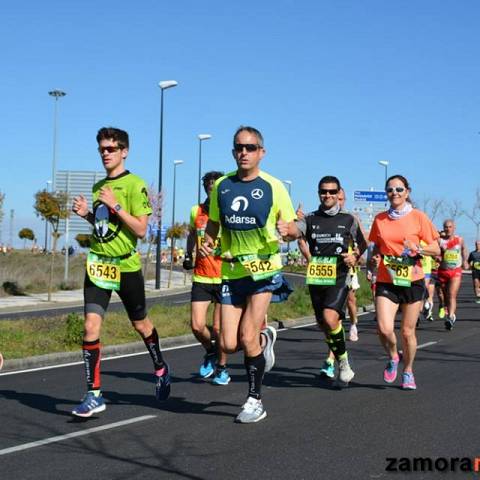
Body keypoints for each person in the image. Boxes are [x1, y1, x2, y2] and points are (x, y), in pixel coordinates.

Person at [199, 126, 297, 424]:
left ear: (261, 152)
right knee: (228, 344)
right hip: (232, 271)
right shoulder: (223, 187)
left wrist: (288, 231)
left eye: (250, 147)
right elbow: (214, 224)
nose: (244, 152)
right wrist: (208, 240)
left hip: (264, 271)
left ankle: (255, 400)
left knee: (246, 335)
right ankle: (265, 342)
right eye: (239, 147)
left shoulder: (274, 186)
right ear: (233, 152)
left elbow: (292, 227)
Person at [71, 127, 170, 417]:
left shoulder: (134, 185)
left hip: (126, 267)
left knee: (140, 324)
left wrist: (115, 205)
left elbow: (140, 229)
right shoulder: (99, 186)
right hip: (99, 265)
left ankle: (160, 366)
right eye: (102, 149)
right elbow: (105, 229)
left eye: (111, 149)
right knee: (90, 327)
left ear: (124, 151)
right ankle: (94, 394)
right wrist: (88, 215)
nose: (105, 154)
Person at [368, 175, 440, 390]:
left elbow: (436, 249)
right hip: (386, 279)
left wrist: (420, 249)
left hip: (413, 279)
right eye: (390, 190)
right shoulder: (380, 219)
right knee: (383, 327)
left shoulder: (419, 217)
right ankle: (393, 357)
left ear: (407, 192)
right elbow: (376, 247)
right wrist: (373, 261)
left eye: (399, 189)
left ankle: (408, 371)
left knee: (408, 332)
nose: (395, 193)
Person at [296, 177, 367, 384]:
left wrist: (354, 256)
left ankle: (343, 362)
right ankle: (337, 356)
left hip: (340, 274)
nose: (327, 195)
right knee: (324, 324)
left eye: (331, 191)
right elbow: (296, 234)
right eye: (323, 192)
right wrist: (290, 225)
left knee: (329, 317)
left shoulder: (349, 219)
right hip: (317, 275)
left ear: (338, 194)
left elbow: (363, 243)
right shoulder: (309, 218)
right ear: (318, 193)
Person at [183, 170, 230, 385]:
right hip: (201, 276)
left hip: (224, 276)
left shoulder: (228, 211)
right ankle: (210, 351)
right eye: (209, 188)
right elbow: (193, 234)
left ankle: (222, 368)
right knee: (196, 325)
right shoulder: (197, 211)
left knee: (219, 328)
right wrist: (188, 254)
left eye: (215, 188)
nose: (212, 192)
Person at [437, 219, 469, 330]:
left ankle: (450, 317)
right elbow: (435, 252)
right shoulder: (440, 241)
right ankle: (447, 310)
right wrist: (437, 257)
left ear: (454, 227)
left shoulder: (459, 240)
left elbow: (464, 249)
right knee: (444, 295)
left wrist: (465, 260)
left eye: (450, 227)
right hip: (442, 271)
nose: (448, 229)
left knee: (451, 294)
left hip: (456, 271)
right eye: (446, 227)